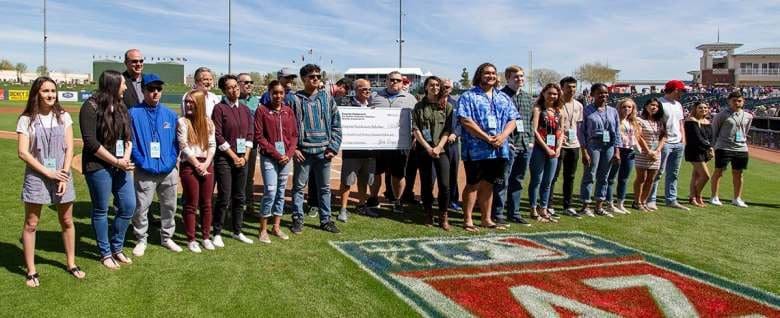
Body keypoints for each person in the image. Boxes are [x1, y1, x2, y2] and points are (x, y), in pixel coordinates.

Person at [17, 77, 84, 287]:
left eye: (53, 91)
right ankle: (31, 270)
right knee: (31, 223)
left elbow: (70, 147)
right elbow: (23, 152)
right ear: (36, 93)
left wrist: (63, 174)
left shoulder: (63, 116)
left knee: (66, 221)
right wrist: (48, 172)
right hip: (37, 175)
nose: (50, 95)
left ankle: (71, 263)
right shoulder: (26, 119)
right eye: (45, 91)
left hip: (61, 176)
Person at [80, 70, 136, 269]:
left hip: (121, 164)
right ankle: (105, 253)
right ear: (113, 85)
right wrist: (115, 161)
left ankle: (117, 247)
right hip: (98, 166)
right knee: (101, 209)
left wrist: (126, 158)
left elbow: (128, 137)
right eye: (123, 84)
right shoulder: (90, 106)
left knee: (129, 205)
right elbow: (91, 143)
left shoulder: (121, 106)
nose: (126, 87)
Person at [457, 62, 518, 232]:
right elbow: (465, 120)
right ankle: (468, 220)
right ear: (479, 75)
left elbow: (513, 120)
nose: (490, 76)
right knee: (473, 184)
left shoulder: (503, 97)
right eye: (486, 73)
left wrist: (503, 136)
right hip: (476, 150)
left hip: (498, 149)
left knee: (489, 185)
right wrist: (486, 137)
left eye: (493, 73)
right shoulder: (468, 96)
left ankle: (486, 219)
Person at [129, 74, 181, 256]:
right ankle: (141, 239)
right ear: (143, 91)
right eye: (151, 89)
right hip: (145, 170)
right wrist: (142, 162)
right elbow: (131, 143)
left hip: (168, 170)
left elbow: (176, 143)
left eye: (158, 89)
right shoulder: (133, 113)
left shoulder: (170, 115)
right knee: (141, 207)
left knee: (169, 206)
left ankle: (167, 237)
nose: (155, 93)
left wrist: (171, 162)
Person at [288, 64, 342, 234]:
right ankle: (297, 218)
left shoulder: (327, 98)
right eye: (312, 76)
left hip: (324, 152)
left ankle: (326, 220)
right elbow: (288, 127)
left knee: (324, 188)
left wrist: (333, 147)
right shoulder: (294, 99)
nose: (316, 79)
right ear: (303, 79)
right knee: (298, 187)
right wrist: (294, 149)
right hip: (303, 152)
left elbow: (336, 125)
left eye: (318, 76)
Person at [212, 74, 255, 245]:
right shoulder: (219, 109)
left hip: (243, 159)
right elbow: (218, 135)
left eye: (236, 86)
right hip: (225, 159)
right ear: (223, 90)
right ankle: (217, 232)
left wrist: (245, 157)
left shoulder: (245, 109)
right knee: (224, 196)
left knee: (240, 196)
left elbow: (250, 134)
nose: (234, 89)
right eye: (230, 87)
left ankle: (237, 231)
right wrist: (234, 156)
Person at [368, 71, 418, 213]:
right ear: (386, 81)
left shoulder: (410, 98)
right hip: (379, 143)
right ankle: (373, 198)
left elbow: (416, 121)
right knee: (376, 173)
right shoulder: (375, 97)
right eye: (391, 80)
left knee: (399, 174)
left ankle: (397, 200)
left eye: (397, 80)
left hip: (400, 144)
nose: (394, 82)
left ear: (402, 83)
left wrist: (414, 137)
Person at [254, 80, 297, 243]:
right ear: (269, 93)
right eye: (275, 93)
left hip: (286, 158)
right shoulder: (262, 111)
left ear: (284, 94)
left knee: (281, 193)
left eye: (281, 93)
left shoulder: (288, 111)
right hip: (269, 158)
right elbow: (259, 136)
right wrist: (277, 154)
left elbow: (294, 135)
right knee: (270, 191)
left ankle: (276, 227)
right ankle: (262, 229)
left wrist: (289, 153)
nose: (278, 96)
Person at [493, 65, 533, 226]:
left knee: (518, 180)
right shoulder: (500, 96)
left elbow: (529, 121)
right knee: (503, 180)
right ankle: (497, 213)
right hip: (507, 145)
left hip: (525, 145)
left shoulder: (527, 97)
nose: (520, 79)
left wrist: (530, 141)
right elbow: (498, 121)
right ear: (508, 78)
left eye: (522, 76)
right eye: (516, 77)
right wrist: (506, 141)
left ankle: (514, 213)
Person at [177, 89, 216, 252]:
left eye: (191, 102)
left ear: (199, 104)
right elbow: (183, 146)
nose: (188, 105)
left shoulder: (208, 122)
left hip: (206, 164)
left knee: (207, 203)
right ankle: (191, 239)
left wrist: (206, 163)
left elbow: (212, 145)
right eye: (186, 102)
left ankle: (206, 237)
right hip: (189, 165)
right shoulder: (182, 122)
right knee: (191, 203)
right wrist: (196, 164)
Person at [412, 76, 453, 230]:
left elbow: (448, 129)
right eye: (431, 85)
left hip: (441, 150)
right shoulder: (419, 106)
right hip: (424, 151)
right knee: (427, 183)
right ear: (426, 87)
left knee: (444, 184)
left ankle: (443, 215)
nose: (435, 87)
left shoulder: (446, 106)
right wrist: (428, 148)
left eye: (437, 85)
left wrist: (438, 147)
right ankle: (428, 213)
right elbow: (416, 129)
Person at [578, 83, 621, 217]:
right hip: (593, 144)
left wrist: (617, 150)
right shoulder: (586, 110)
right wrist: (584, 151)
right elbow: (581, 132)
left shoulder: (613, 111)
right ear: (593, 95)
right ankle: (585, 205)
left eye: (605, 93)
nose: (603, 95)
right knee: (590, 174)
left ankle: (599, 206)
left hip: (608, 145)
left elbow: (617, 132)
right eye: (600, 93)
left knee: (604, 176)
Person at [337, 79, 376, 221]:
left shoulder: (373, 105)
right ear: (356, 89)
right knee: (347, 180)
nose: (367, 91)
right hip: (352, 149)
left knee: (364, 179)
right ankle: (343, 208)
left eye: (369, 89)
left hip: (370, 149)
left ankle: (361, 205)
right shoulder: (344, 103)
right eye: (364, 89)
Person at [648, 80, 690, 210]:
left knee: (674, 173)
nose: (682, 93)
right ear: (675, 90)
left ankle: (671, 199)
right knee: (658, 172)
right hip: (664, 142)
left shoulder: (678, 104)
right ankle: (651, 199)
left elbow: (681, 123)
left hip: (678, 143)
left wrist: (683, 139)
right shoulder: (659, 103)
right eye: (681, 91)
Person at [527, 83, 564, 222]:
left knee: (548, 181)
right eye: (550, 93)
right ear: (543, 93)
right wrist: (546, 148)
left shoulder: (559, 111)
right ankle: (533, 208)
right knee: (536, 179)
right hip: (539, 149)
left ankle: (544, 208)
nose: (552, 96)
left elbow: (561, 131)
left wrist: (558, 147)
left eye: (555, 94)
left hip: (554, 150)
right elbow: (535, 130)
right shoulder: (538, 109)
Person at [548, 76, 583, 218]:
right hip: (558, 144)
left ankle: (567, 206)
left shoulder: (579, 105)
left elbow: (578, 126)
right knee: (553, 176)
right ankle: (548, 205)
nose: (572, 89)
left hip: (574, 145)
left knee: (570, 176)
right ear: (562, 87)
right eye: (569, 87)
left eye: (574, 87)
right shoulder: (556, 104)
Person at [710, 91, 752, 207]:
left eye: (739, 101)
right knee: (719, 171)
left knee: (739, 173)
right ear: (729, 101)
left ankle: (737, 198)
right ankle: (714, 196)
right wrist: (712, 147)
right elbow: (714, 132)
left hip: (741, 148)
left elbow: (745, 131)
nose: (737, 103)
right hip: (723, 147)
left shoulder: (748, 116)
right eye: (734, 100)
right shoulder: (721, 115)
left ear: (743, 102)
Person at [606, 98, 640, 214]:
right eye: (624, 107)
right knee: (611, 178)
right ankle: (609, 203)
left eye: (629, 107)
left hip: (630, 151)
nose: (626, 109)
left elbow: (635, 137)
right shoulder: (615, 120)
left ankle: (620, 203)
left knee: (624, 179)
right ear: (619, 108)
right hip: (618, 150)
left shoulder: (633, 121)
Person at [633, 98, 666, 211]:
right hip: (643, 153)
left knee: (651, 179)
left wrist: (657, 151)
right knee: (641, 178)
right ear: (646, 106)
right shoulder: (639, 120)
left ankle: (643, 201)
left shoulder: (660, 121)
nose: (654, 107)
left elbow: (664, 137)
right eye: (652, 105)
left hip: (656, 154)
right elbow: (639, 136)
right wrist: (648, 151)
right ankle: (637, 202)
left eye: (656, 106)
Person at [237, 73, 261, 217]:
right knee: (235, 176)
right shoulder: (230, 99)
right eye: (245, 82)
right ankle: (232, 206)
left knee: (249, 176)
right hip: (233, 144)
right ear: (238, 83)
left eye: (251, 82)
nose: (249, 84)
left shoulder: (256, 101)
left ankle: (249, 206)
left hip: (251, 145)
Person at [684, 101, 713, 207]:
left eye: (705, 108)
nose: (703, 110)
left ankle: (692, 198)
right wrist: (709, 148)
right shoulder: (691, 120)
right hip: (694, 151)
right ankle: (698, 195)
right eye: (700, 108)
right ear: (695, 109)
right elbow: (697, 138)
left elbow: (711, 137)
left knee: (696, 176)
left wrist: (711, 148)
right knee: (705, 176)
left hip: (704, 151)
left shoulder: (707, 121)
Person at [442, 79, 461, 211]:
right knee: (434, 174)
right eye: (443, 86)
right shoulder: (433, 102)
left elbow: (461, 122)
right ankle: (432, 199)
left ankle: (453, 200)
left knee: (453, 173)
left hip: (452, 144)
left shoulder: (456, 103)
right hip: (437, 144)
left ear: (451, 89)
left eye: (448, 87)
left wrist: (455, 134)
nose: (445, 89)